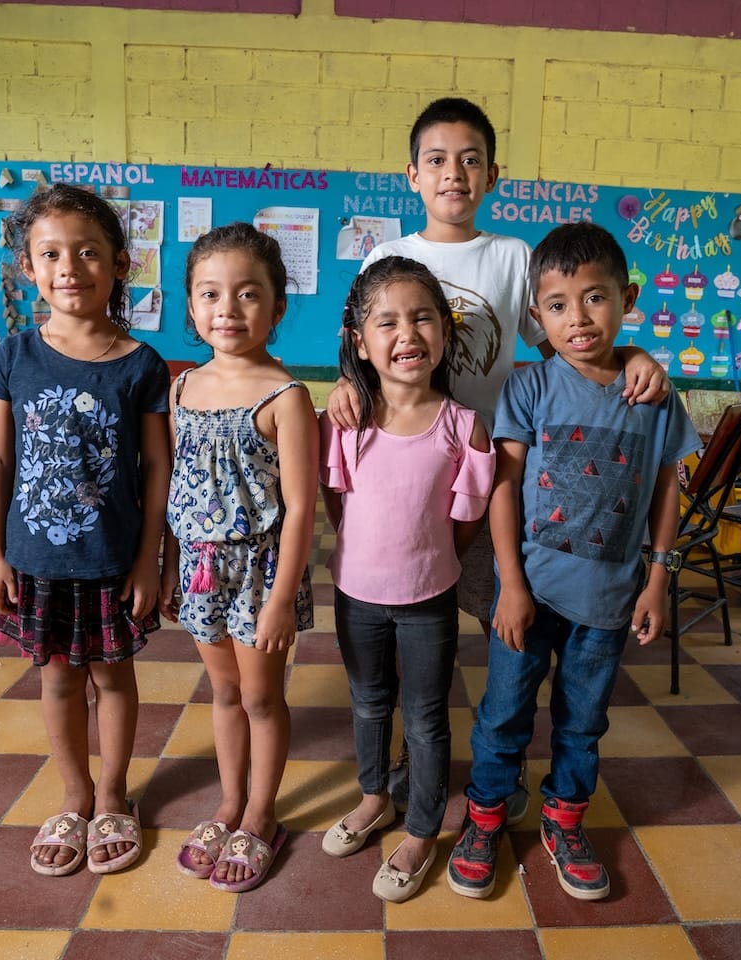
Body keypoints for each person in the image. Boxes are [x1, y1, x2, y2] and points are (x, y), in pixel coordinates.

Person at [326, 95, 672, 825]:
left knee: (501, 622)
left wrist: (635, 352)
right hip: (412, 473)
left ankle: (492, 762)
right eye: (438, 160)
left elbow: (564, 340)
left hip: (497, 472)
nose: (455, 173)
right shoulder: (386, 258)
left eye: (471, 159)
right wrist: (341, 387)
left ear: (493, 175)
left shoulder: (512, 256)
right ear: (412, 175)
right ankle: (404, 760)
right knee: (406, 628)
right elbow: (361, 342)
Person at [446, 222, 700, 901]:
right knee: (503, 712)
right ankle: (487, 817)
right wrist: (508, 585)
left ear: (629, 298)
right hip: (530, 593)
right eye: (558, 304)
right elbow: (503, 486)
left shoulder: (653, 395)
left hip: (611, 599)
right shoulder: (528, 389)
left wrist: (657, 579)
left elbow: (668, 487)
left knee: (583, 720)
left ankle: (565, 821)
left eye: (595, 298)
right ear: (537, 315)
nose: (578, 318)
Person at [0, 182, 172, 877]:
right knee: (58, 681)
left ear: (120, 264)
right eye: (51, 253)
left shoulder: (141, 363)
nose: (70, 267)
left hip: (112, 560)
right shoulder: (15, 355)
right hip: (35, 561)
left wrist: (151, 561)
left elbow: (157, 470)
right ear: (28, 268)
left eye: (88, 252)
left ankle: (116, 795)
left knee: (114, 680)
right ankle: (74, 795)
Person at [318, 256, 496, 903]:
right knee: (367, 703)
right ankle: (375, 800)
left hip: (429, 600)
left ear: (444, 334)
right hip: (356, 595)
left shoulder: (461, 425)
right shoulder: (345, 420)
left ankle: (421, 828)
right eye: (387, 322)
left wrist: (428, 561)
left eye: (423, 317)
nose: (408, 333)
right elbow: (337, 502)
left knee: (424, 719)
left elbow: (466, 519)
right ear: (361, 344)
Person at [162, 222, 319, 893]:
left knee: (260, 695)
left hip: (259, 573)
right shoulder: (181, 389)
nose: (228, 309)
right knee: (222, 691)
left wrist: (282, 597)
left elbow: (303, 509)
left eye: (248, 294)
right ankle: (228, 802)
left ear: (277, 308)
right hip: (199, 567)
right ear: (192, 308)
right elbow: (175, 487)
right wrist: (170, 566)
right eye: (211, 294)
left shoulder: (286, 397)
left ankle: (261, 814)